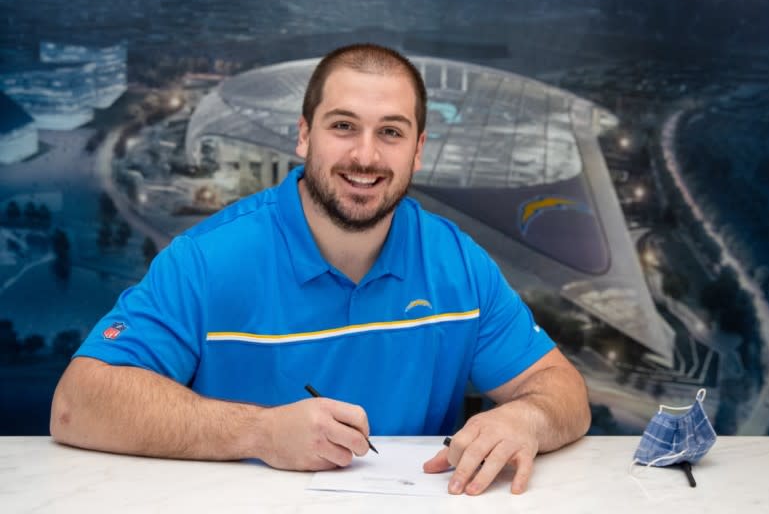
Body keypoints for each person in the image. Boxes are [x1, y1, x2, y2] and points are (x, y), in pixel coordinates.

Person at [50, 43, 590, 495]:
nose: (365, 156)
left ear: (418, 150)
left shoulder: (456, 262)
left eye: (391, 133)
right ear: (304, 135)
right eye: (343, 126)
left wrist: (526, 419)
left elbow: (559, 388)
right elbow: (78, 404)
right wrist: (257, 432)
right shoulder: (209, 259)